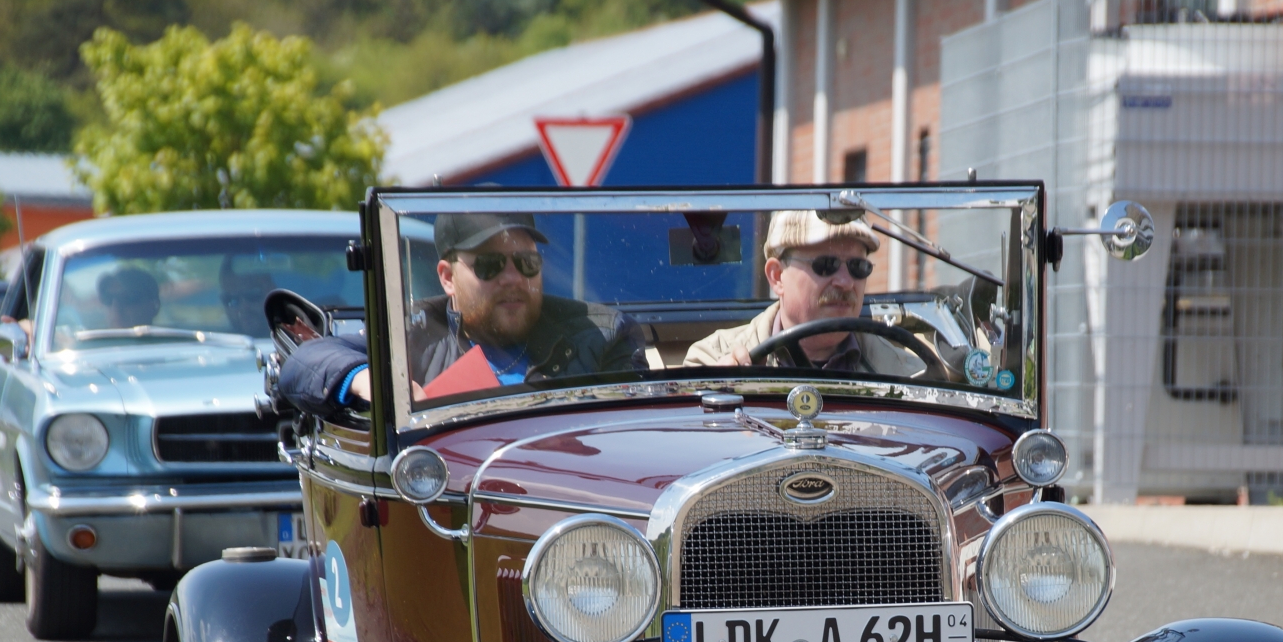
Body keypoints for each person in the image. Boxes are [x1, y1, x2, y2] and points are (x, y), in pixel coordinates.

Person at [278, 212, 638, 418]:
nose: (513, 278)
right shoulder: (415, 333)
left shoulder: (602, 334)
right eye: (490, 265)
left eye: (526, 263)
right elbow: (305, 361)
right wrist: (373, 382)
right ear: (448, 278)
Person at [681, 210, 936, 380]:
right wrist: (724, 391)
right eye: (826, 265)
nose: (846, 282)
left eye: (858, 267)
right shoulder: (712, 361)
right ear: (777, 276)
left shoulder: (907, 375)